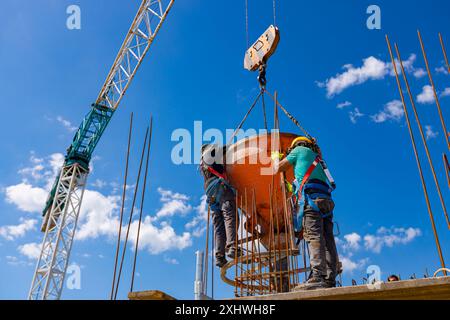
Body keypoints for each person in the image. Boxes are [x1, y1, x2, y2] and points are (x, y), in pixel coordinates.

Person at [272, 136, 339, 290]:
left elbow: (277, 168)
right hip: (326, 200)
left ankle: (317, 276)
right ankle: (329, 279)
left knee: (314, 237)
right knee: (328, 240)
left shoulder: (298, 150)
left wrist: (277, 157)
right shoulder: (319, 160)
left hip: (311, 201)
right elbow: (299, 185)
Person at [200, 144, 240, 268]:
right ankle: (232, 246)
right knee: (230, 215)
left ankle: (219, 257)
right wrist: (230, 146)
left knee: (219, 225)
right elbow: (221, 148)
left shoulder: (202, 165)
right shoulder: (209, 153)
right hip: (220, 187)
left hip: (210, 193)